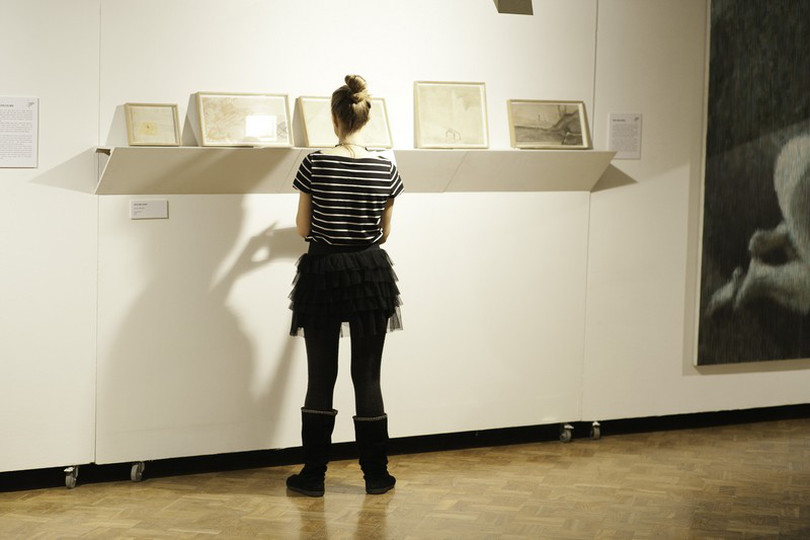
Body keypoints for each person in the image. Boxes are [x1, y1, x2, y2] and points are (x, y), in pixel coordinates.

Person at [286, 75, 404, 497]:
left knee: (321, 377)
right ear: (364, 118)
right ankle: (376, 475)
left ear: (334, 118)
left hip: (323, 273)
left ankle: (314, 476)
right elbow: (384, 233)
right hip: (370, 273)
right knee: (368, 377)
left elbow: (304, 228)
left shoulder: (315, 163)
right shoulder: (386, 167)